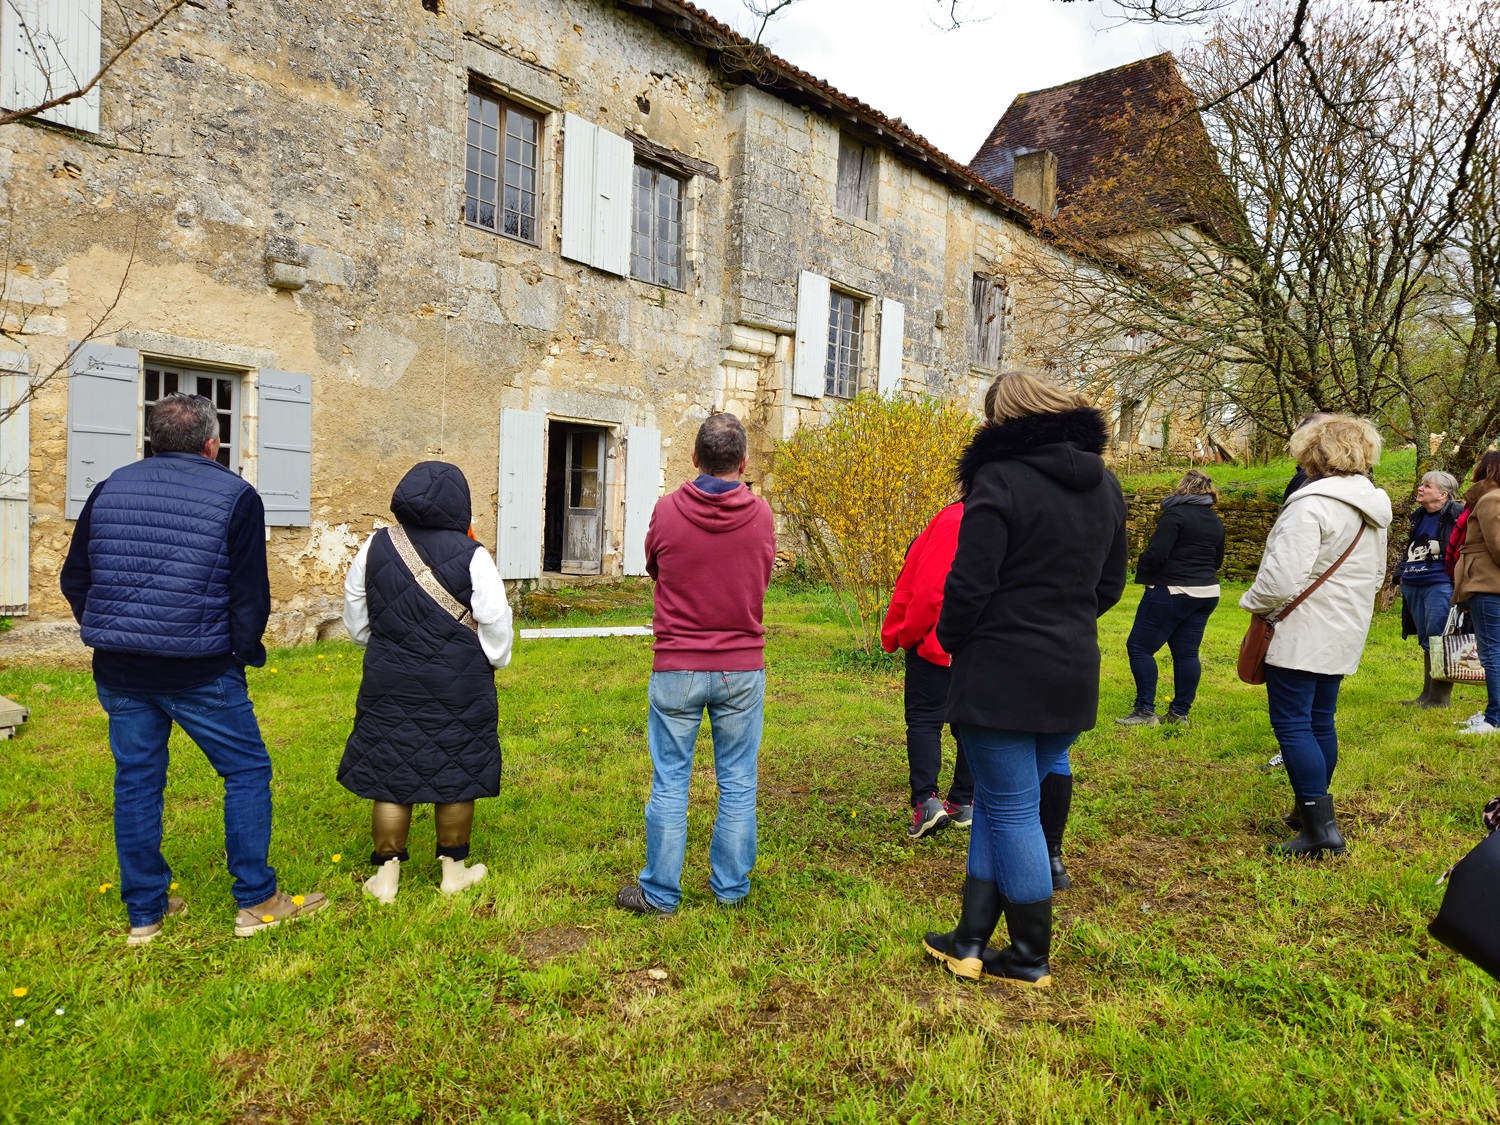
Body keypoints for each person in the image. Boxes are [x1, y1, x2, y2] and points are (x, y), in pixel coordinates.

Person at [59, 392, 325, 944]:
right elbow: (250, 595)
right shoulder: (236, 495)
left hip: (122, 670)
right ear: (213, 443)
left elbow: (74, 578)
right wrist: (238, 653)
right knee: (247, 772)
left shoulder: (108, 489)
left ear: (151, 442)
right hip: (200, 669)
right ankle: (256, 900)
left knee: (136, 782)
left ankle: (145, 914)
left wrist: (108, 630)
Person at [921, 372, 1127, 987]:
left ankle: (1030, 955)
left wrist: (955, 639)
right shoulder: (1107, 484)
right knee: (997, 806)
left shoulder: (1000, 478)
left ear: (1000, 420)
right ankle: (970, 940)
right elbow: (1111, 585)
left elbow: (970, 581)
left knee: (1010, 811)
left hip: (1002, 674)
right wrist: (1062, 619)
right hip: (1071, 670)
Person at [616, 413, 776, 915]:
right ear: (744, 462)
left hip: (677, 665)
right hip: (740, 667)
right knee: (737, 779)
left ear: (694, 459)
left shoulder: (666, 511)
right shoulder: (762, 515)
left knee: (670, 779)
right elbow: (762, 576)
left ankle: (660, 893)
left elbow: (655, 567)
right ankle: (730, 889)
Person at [337, 462, 513, 901]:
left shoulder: (374, 546)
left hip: (389, 679)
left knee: (392, 771)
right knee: (456, 770)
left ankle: (386, 879)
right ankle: (453, 874)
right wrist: (494, 658)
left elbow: (357, 618)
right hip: (460, 682)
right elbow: (495, 620)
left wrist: (382, 645)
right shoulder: (474, 555)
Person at [1240, 416, 1391, 857]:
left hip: (1302, 625)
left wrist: (1253, 603)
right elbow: (1378, 575)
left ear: (1313, 453)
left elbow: (1280, 578)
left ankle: (1319, 831)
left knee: (1292, 723)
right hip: (1345, 625)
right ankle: (1309, 810)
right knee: (1320, 719)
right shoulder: (1373, 505)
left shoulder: (1311, 503)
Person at [881, 502, 975, 839]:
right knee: (969, 723)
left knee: (924, 719)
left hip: (939, 641)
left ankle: (927, 803)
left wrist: (909, 634)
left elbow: (931, 592)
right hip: (980, 645)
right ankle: (964, 800)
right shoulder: (1014, 514)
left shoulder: (955, 518)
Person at [1117, 469, 1225, 729]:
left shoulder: (1175, 515)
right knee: (1187, 654)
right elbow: (1217, 560)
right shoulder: (1215, 521)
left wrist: (1143, 565)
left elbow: (1157, 553)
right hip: (1206, 593)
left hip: (1172, 590)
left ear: (1182, 489)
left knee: (1140, 647)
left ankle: (1145, 712)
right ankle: (1179, 714)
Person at [1397, 471, 1463, 709]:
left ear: (1443, 494)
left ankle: (1440, 698)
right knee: (1427, 640)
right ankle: (1426, 696)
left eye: (1428, 485)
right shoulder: (1419, 515)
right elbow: (1411, 547)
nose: (1421, 488)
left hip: (1439, 584)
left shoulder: (1457, 514)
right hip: (1414, 583)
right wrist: (1401, 574)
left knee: (1440, 639)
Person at [1452, 452, 1500, 735]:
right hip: (1487, 584)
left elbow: (1497, 545)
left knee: (1492, 652)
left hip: (1488, 585)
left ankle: (1494, 719)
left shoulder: (1491, 499)